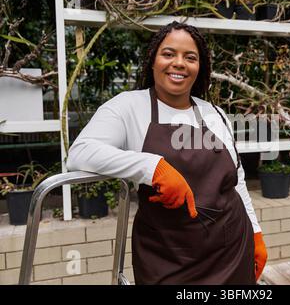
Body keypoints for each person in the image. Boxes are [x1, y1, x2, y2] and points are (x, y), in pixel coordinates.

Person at [67, 21, 267, 285]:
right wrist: (153, 168)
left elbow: (236, 180)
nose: (179, 63)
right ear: (153, 61)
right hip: (167, 257)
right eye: (169, 53)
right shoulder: (129, 107)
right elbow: (80, 153)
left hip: (230, 250)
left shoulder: (214, 113)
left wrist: (255, 232)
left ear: (200, 67)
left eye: (190, 57)